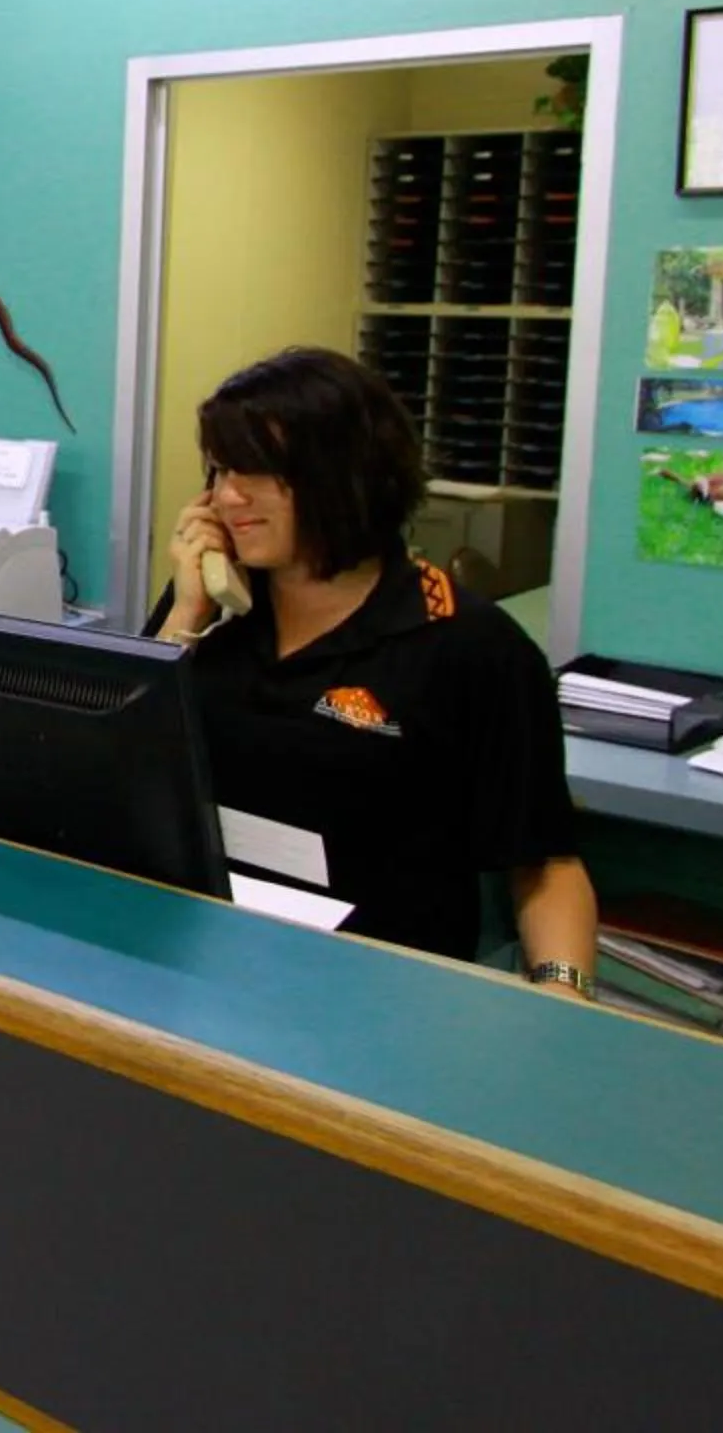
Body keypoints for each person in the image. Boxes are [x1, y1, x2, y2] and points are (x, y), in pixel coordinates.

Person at [155, 347, 599, 988]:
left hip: (380, 989)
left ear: (345, 474)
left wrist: (561, 994)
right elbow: (129, 778)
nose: (227, 496)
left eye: (256, 469)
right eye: (219, 470)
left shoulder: (470, 645)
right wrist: (184, 620)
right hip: (205, 962)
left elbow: (544, 862)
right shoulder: (208, 616)